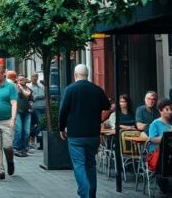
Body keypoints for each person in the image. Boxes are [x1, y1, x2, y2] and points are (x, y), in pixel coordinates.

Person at [58, 64, 112, 198]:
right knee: (90, 164)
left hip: (76, 135)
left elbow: (63, 110)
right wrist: (98, 120)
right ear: (88, 74)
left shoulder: (70, 89)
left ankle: (85, 194)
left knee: (79, 165)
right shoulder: (97, 89)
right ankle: (91, 194)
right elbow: (107, 107)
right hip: (93, 134)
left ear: (75, 75)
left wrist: (61, 128)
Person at [146, 99, 172, 195]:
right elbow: (152, 139)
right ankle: (168, 186)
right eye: (167, 109)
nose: (170, 112)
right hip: (159, 153)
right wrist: (167, 135)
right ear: (160, 111)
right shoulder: (155, 124)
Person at [13, 74, 33, 156]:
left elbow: (30, 98)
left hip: (27, 112)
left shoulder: (28, 89)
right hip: (17, 112)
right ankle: (16, 148)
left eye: (23, 79)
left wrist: (31, 105)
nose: (22, 81)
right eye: (20, 80)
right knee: (19, 130)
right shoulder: (14, 89)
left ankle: (25, 148)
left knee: (27, 131)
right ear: (17, 81)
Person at [29, 73, 46, 149]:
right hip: (34, 107)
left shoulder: (41, 86)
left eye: (36, 77)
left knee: (41, 123)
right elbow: (32, 98)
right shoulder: (29, 87)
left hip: (42, 107)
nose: (35, 78)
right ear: (31, 77)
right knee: (36, 123)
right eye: (33, 77)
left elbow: (44, 95)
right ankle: (32, 138)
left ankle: (40, 141)